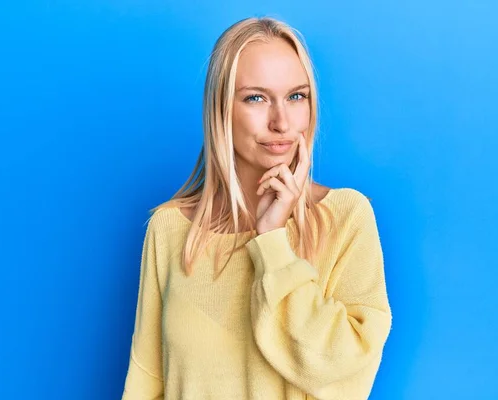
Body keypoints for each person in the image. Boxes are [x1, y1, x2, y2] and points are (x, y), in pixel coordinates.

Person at [121, 16, 392, 400]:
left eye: (297, 96)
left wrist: (273, 242)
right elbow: (146, 383)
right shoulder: (168, 231)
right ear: (221, 109)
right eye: (256, 98)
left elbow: (341, 374)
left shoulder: (346, 217)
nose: (281, 121)